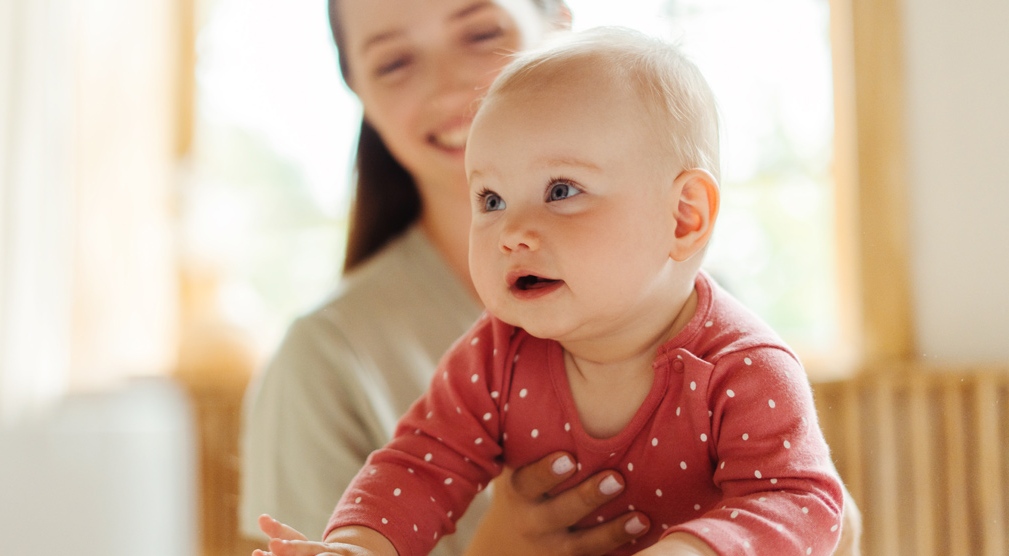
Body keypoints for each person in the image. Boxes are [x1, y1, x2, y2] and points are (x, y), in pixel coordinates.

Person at [252, 27, 845, 556]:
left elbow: (799, 500)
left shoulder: (742, 367)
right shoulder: (496, 355)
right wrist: (357, 546)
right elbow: (420, 465)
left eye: (562, 190)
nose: (511, 232)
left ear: (684, 217)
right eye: (490, 200)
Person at [238, 2, 664, 555]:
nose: (451, 90)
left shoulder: (694, 299)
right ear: (358, 93)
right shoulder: (323, 362)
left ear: (560, 24)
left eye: (482, 33)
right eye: (393, 63)